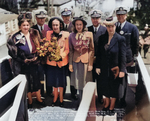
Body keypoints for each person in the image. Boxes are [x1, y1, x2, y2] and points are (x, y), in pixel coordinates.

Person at [7, 13, 45, 108]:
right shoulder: (15, 37)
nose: (26, 27)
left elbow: (40, 46)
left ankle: (39, 98)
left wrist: (38, 56)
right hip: (24, 63)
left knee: (37, 80)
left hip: (35, 61)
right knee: (27, 81)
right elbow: (12, 53)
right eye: (23, 25)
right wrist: (23, 60)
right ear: (20, 26)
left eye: (27, 25)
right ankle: (30, 100)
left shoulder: (35, 33)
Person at [96, 16, 126, 115]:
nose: (110, 29)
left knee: (114, 88)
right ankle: (106, 104)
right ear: (106, 27)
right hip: (104, 68)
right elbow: (99, 54)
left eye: (112, 26)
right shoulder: (102, 38)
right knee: (105, 87)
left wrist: (122, 70)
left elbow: (123, 56)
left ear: (115, 26)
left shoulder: (120, 39)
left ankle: (112, 107)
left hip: (115, 69)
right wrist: (98, 66)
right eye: (108, 26)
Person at [115, 6, 139, 107]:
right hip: (115, 57)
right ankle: (115, 98)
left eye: (122, 14)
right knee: (115, 78)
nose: (120, 16)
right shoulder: (114, 26)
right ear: (116, 15)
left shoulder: (132, 27)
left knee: (123, 79)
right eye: (118, 14)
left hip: (126, 58)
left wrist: (134, 57)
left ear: (126, 15)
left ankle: (123, 99)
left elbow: (135, 43)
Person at [69, 16, 94, 103]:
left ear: (83, 25)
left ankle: (87, 102)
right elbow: (71, 51)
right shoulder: (71, 36)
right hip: (76, 61)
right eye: (77, 25)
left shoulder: (89, 34)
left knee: (86, 82)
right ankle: (80, 101)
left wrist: (91, 64)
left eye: (80, 24)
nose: (78, 26)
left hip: (86, 62)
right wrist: (70, 64)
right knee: (78, 82)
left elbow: (91, 49)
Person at [45, 17, 69, 107]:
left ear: (60, 25)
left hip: (61, 62)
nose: (55, 27)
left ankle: (61, 99)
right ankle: (55, 99)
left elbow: (67, 49)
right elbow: (47, 46)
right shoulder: (48, 33)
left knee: (61, 83)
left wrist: (61, 57)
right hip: (51, 63)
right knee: (54, 82)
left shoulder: (66, 34)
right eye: (53, 25)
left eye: (57, 25)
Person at [32, 9, 52, 97]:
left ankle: (49, 92)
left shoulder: (48, 28)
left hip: (48, 57)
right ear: (36, 18)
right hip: (38, 58)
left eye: (43, 18)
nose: (42, 20)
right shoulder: (32, 29)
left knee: (49, 75)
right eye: (40, 18)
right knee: (40, 76)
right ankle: (41, 93)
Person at [88, 9, 106, 103]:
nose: (95, 20)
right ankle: (91, 99)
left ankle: (100, 98)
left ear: (100, 18)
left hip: (101, 60)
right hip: (90, 60)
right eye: (93, 18)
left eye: (97, 18)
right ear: (91, 19)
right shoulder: (87, 29)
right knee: (90, 80)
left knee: (100, 81)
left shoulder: (105, 30)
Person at [60, 7, 78, 100]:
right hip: (62, 55)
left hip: (72, 54)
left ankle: (73, 93)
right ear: (62, 16)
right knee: (63, 75)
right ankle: (61, 94)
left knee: (72, 76)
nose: (66, 18)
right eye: (64, 16)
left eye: (68, 16)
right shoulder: (59, 25)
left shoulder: (74, 26)